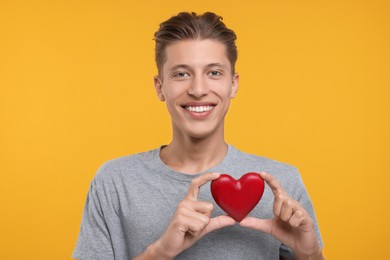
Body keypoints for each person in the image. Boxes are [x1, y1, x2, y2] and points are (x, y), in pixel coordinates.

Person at [72, 12, 324, 260]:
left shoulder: (283, 184)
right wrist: (160, 252)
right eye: (181, 74)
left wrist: (309, 254)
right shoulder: (114, 182)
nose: (198, 90)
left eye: (214, 72)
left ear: (233, 84)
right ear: (160, 87)